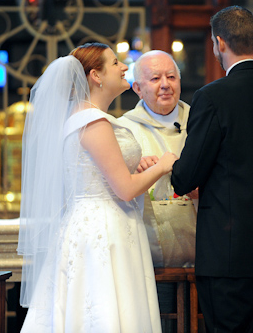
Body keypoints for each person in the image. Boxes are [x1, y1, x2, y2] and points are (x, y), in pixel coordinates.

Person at [17, 43, 177, 332]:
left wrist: (138, 164)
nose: (124, 67)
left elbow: (106, 173)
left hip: (103, 224)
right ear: (96, 76)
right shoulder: (92, 122)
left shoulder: (89, 118)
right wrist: (163, 166)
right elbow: (125, 190)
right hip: (103, 230)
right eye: (116, 63)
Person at [170, 5, 253, 332]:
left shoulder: (212, 97)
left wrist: (171, 166)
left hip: (229, 253)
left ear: (218, 44)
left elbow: (186, 177)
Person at [119, 50, 196, 268]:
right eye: (155, 78)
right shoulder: (124, 130)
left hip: (203, 247)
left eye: (171, 77)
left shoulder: (200, 122)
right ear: (138, 89)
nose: (165, 84)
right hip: (148, 253)